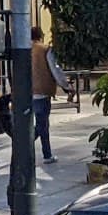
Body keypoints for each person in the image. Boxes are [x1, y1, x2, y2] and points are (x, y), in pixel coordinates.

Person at [30, 26, 72, 163]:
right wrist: (65, 86)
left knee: (33, 123)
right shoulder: (45, 49)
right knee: (42, 124)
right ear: (41, 36)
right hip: (42, 91)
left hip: (25, 93)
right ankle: (46, 154)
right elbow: (55, 69)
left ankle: (24, 147)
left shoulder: (23, 50)